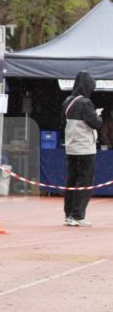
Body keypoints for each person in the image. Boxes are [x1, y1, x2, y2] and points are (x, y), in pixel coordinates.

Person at [62, 71, 102, 227]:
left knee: (71, 181)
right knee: (84, 182)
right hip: (85, 148)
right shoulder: (85, 103)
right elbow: (96, 123)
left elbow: (62, 122)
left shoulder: (67, 101)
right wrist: (97, 115)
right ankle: (79, 215)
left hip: (71, 147)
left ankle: (69, 215)